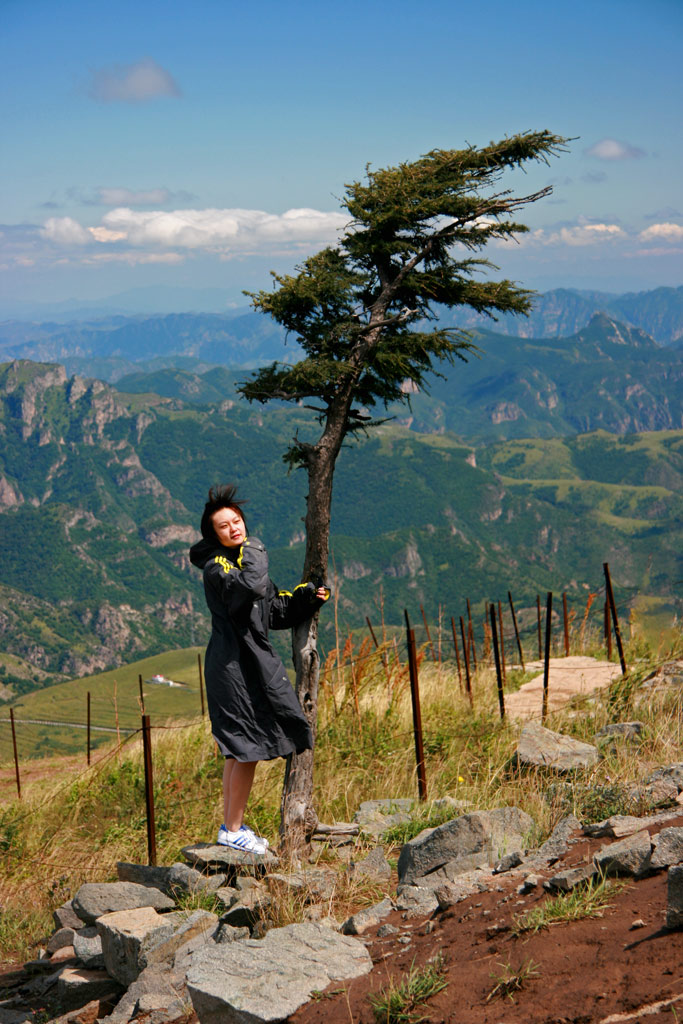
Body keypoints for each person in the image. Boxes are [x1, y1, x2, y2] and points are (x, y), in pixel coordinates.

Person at [189, 484, 329, 854]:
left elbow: (273, 611)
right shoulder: (218, 567)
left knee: (239, 749)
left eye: (237, 521)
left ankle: (231, 827)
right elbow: (252, 584)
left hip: (246, 666)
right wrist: (255, 546)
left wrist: (305, 598)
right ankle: (233, 830)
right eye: (224, 526)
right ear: (213, 535)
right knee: (245, 748)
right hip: (232, 669)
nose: (234, 528)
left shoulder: (239, 560)